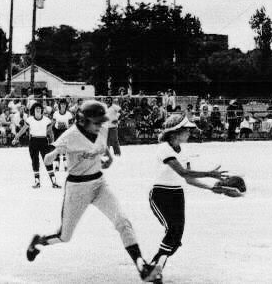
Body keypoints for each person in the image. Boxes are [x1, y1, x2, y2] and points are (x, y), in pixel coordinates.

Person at [26, 100, 161, 282]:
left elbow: (103, 146)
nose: (99, 125)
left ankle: (142, 267)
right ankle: (38, 242)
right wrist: (52, 155)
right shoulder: (70, 135)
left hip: (99, 184)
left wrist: (109, 158)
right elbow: (51, 156)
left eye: (100, 122)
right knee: (64, 236)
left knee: (123, 222)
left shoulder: (101, 128)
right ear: (82, 121)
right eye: (95, 122)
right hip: (77, 189)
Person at [148, 113, 241, 283]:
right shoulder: (164, 149)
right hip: (161, 195)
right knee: (173, 232)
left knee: (176, 236)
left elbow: (189, 179)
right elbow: (182, 172)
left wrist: (213, 187)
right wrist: (210, 174)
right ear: (176, 132)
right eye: (188, 130)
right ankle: (154, 268)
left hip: (177, 195)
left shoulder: (185, 150)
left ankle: (155, 268)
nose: (190, 132)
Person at [12, 102, 59, 189]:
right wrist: (16, 137)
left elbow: (50, 132)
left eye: (39, 108)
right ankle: (37, 181)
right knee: (35, 161)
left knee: (47, 160)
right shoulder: (30, 120)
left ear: (42, 110)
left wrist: (52, 143)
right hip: (33, 141)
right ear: (33, 110)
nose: (38, 109)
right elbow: (23, 130)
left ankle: (54, 181)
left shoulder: (46, 120)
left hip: (44, 141)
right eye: (36, 108)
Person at [51, 99, 73, 171]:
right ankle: (57, 165)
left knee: (65, 148)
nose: (63, 105)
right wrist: (50, 132)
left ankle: (65, 164)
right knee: (57, 148)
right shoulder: (56, 113)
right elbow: (53, 124)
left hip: (65, 132)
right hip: (57, 131)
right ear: (59, 105)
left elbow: (70, 125)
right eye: (61, 104)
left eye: (64, 104)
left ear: (66, 105)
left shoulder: (69, 114)